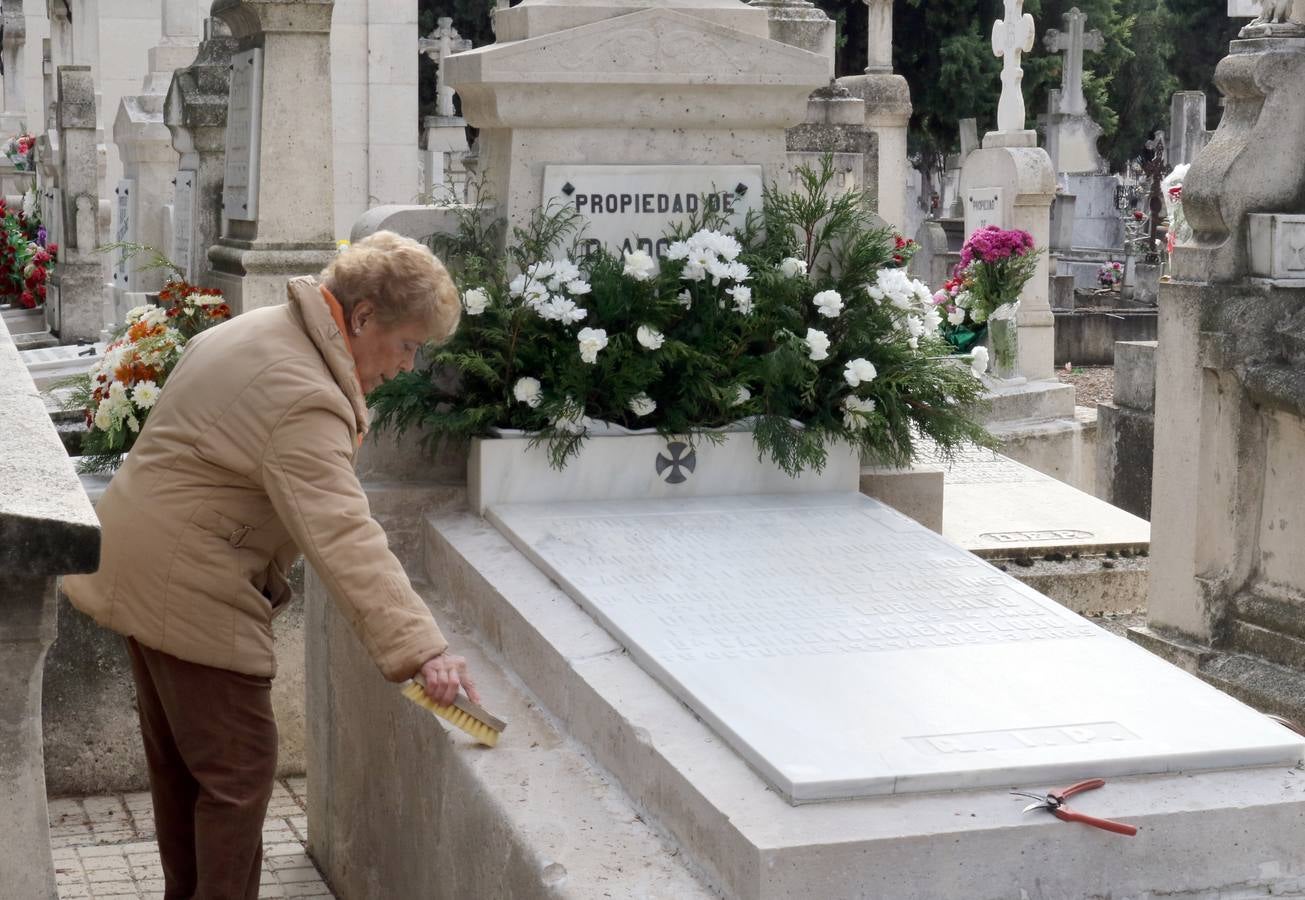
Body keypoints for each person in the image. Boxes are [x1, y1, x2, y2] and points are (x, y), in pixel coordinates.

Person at [62, 231, 477, 900]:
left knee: (185, 771)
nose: (407, 366)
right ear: (363, 316)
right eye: (407, 344)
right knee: (239, 770)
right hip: (188, 580)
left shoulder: (263, 329)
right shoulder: (303, 392)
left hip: (141, 560)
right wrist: (422, 649)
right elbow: (343, 534)